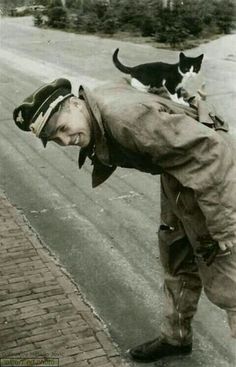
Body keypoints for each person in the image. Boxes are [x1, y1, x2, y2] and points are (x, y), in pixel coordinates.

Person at [13, 77, 236, 363]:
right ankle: (175, 338)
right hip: (179, 172)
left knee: (227, 279)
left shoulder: (126, 119)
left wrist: (225, 225)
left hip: (212, 178)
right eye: (56, 139)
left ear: (76, 104)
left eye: (64, 129)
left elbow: (211, 153)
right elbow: (138, 85)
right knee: (176, 254)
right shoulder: (99, 101)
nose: (66, 141)